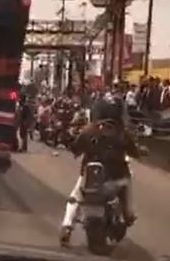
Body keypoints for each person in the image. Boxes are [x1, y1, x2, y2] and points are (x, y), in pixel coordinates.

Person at [59, 95, 141, 247]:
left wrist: (71, 143)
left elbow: (75, 149)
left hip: (90, 176)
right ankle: (129, 214)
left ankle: (67, 225)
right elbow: (135, 152)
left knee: (75, 196)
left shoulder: (89, 131)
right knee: (127, 182)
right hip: (116, 177)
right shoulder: (122, 134)